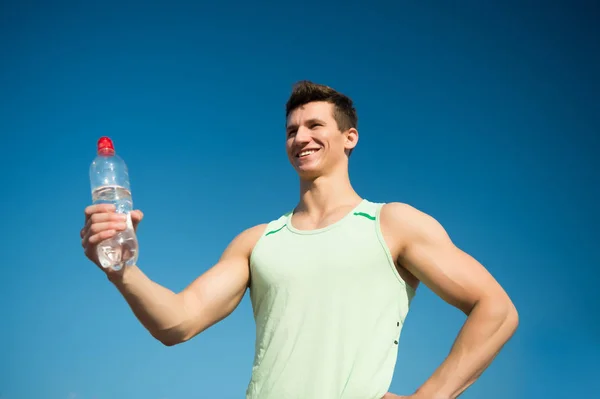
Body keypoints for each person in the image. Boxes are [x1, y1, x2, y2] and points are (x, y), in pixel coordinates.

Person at [80, 81, 519, 398]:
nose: (301, 138)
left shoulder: (392, 223)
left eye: (314, 126)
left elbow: (496, 310)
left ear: (350, 138)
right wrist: (122, 271)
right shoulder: (257, 242)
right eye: (292, 130)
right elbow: (177, 322)